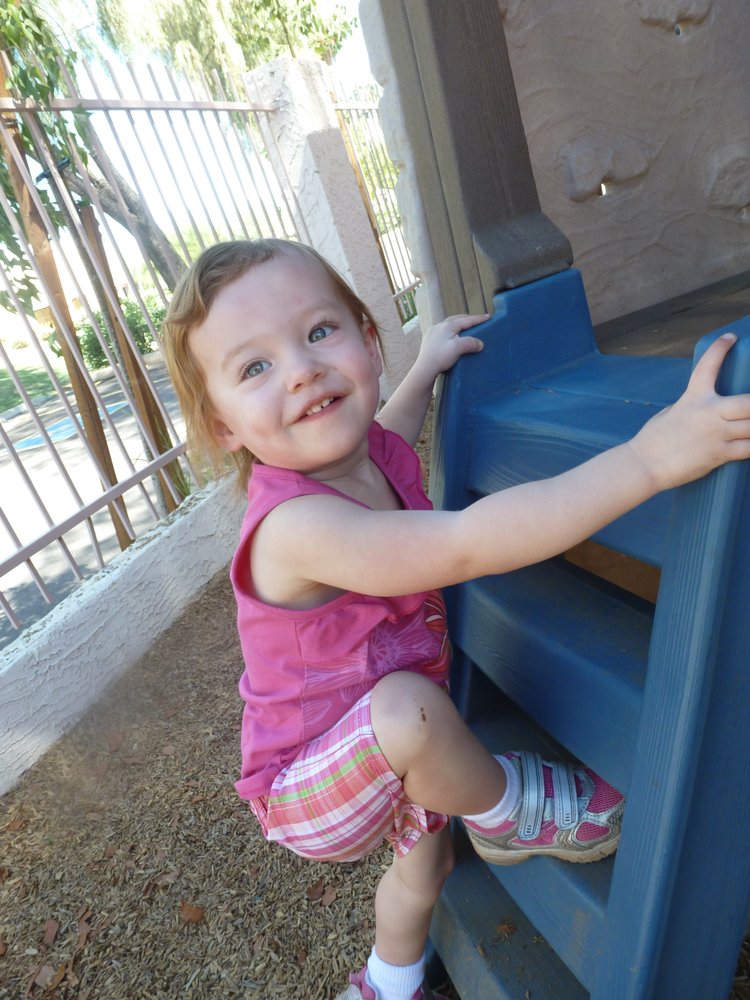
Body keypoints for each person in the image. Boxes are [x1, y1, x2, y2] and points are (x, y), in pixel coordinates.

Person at [161, 238, 750, 1000]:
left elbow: (391, 430)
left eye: (318, 332)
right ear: (224, 428)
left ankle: (385, 984)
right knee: (409, 711)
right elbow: (471, 544)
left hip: (397, 743)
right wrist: (650, 460)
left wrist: (426, 364)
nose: (302, 369)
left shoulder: (363, 455)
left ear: (368, 340)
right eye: (255, 368)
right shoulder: (295, 529)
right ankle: (507, 812)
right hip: (307, 785)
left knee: (425, 871)